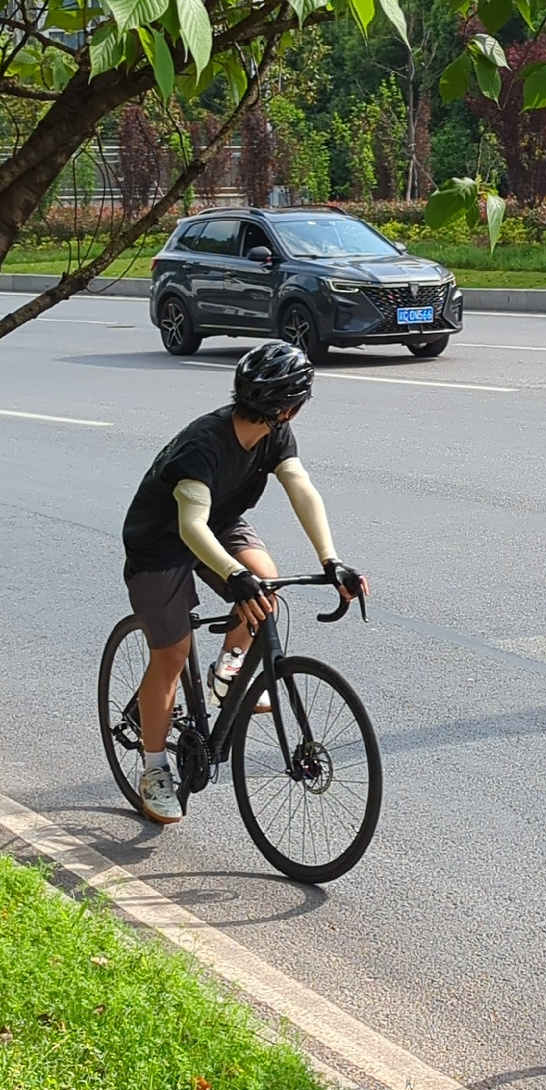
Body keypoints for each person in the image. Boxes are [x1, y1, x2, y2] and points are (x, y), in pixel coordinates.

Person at [121, 339, 367, 826]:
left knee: (266, 583)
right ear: (291, 408)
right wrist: (234, 576)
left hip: (220, 522)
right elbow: (190, 526)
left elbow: (300, 487)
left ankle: (227, 672)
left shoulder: (274, 433)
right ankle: (154, 769)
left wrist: (331, 559)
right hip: (160, 543)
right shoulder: (204, 445)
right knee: (171, 655)